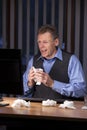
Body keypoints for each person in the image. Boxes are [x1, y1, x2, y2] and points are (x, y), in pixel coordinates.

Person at [23, 24, 86, 100]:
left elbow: (81, 90)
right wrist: (30, 84)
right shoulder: (33, 61)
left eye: (45, 42)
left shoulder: (72, 60)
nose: (41, 46)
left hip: (64, 110)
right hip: (38, 110)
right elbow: (23, 93)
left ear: (56, 42)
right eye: (39, 42)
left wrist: (53, 84)